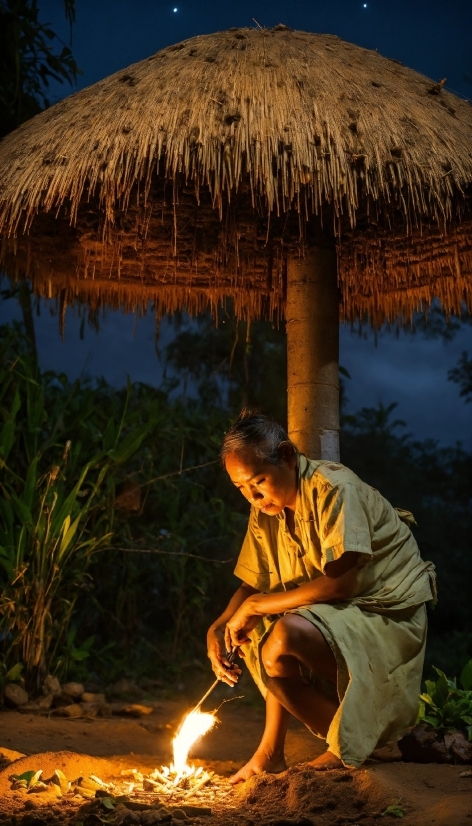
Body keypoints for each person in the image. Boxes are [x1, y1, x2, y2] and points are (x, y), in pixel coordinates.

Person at [207, 411, 436, 782]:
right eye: (242, 489)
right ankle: (277, 753)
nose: (253, 496)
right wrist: (217, 628)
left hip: (386, 613)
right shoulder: (265, 508)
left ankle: (343, 748)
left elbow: (340, 586)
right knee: (260, 638)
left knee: (281, 635)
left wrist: (254, 608)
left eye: (259, 481)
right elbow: (253, 584)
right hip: (334, 613)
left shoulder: (334, 488)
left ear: (286, 456)